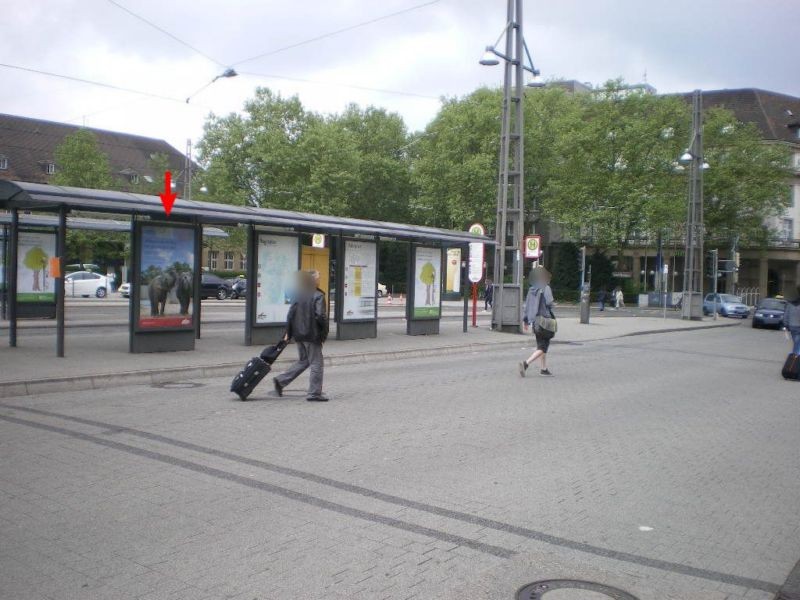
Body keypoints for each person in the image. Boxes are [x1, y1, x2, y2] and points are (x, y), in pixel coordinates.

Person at [273, 271, 330, 401]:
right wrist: (323, 335)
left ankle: (281, 381)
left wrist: (289, 333)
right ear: (313, 280)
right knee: (316, 364)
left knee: (304, 361)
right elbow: (321, 316)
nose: (319, 280)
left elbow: (290, 314)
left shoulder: (299, 294)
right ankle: (314, 393)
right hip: (312, 335)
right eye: (318, 278)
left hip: (299, 335)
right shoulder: (318, 295)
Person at [519, 267, 555, 377]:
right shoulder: (546, 288)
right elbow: (549, 303)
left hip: (535, 322)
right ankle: (526, 364)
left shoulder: (531, 289)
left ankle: (543, 369)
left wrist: (525, 321)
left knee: (541, 344)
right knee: (543, 347)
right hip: (545, 321)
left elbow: (527, 306)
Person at [782, 285, 800, 355]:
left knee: (796, 341)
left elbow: (786, 315)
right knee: (797, 343)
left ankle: (795, 355)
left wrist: (785, 325)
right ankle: (795, 356)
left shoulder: (790, 303)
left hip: (792, 326)